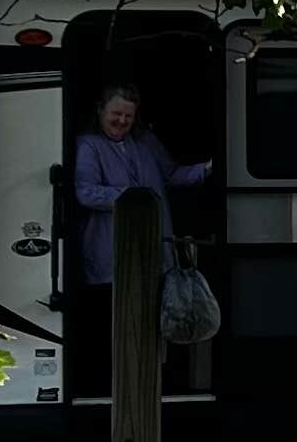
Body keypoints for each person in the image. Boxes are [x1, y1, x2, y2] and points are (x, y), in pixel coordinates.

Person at [72, 83, 210, 290]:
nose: (122, 121)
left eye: (128, 116)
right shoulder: (87, 144)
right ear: (100, 109)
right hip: (113, 257)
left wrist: (209, 168)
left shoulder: (145, 141)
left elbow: (170, 175)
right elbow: (85, 192)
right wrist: (135, 197)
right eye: (116, 113)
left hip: (154, 253)